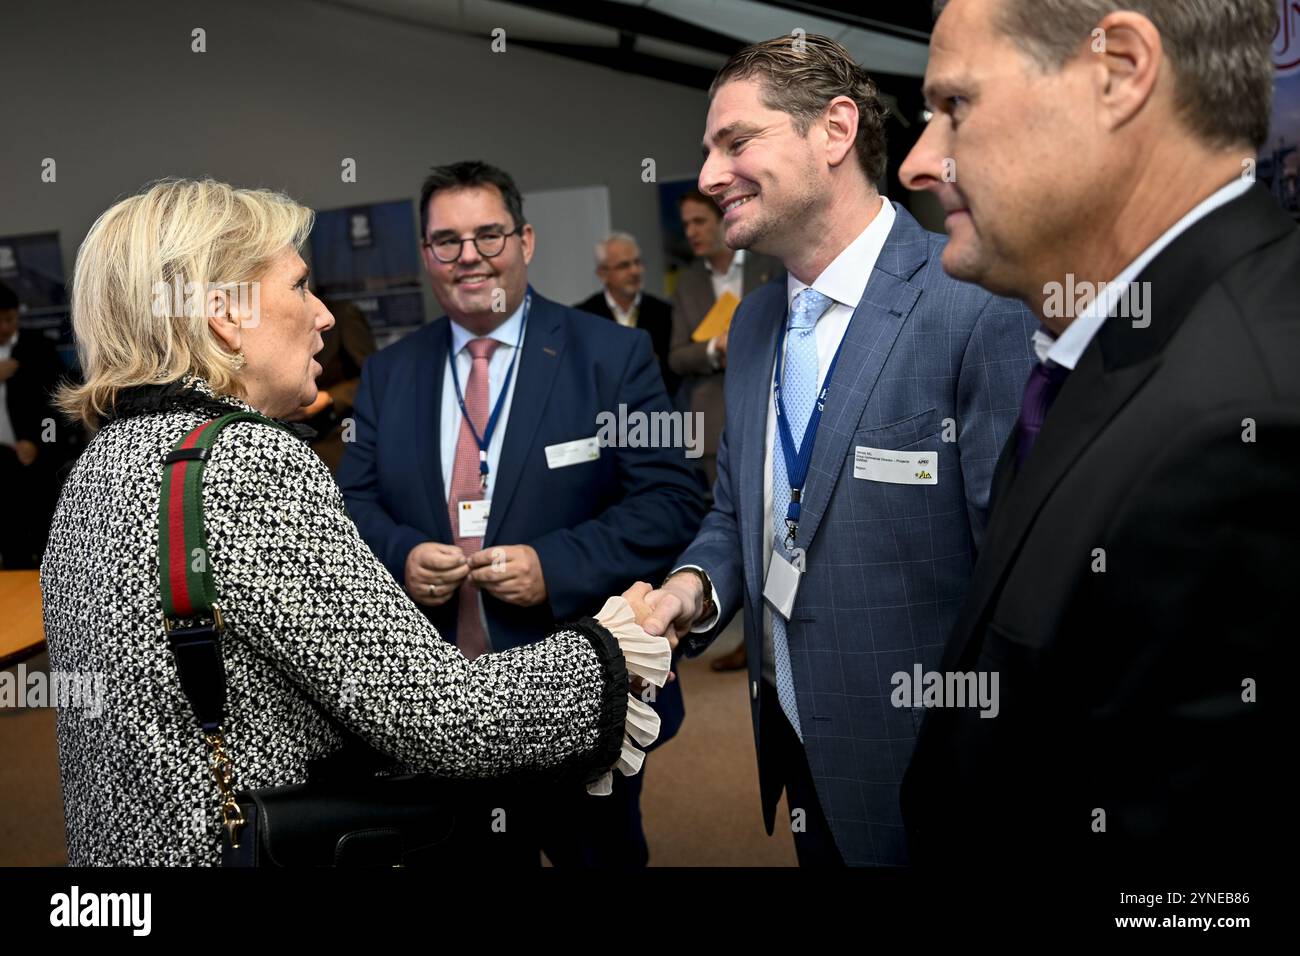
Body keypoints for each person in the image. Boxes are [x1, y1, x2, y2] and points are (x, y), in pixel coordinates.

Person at [40, 178, 668, 867]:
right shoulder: (244, 464)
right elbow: (440, 719)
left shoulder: (101, 465)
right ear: (225, 313)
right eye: (300, 286)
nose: (325, 316)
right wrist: (613, 647)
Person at [897, 0, 1290, 872]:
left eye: (955, 106)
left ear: (1117, 70)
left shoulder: (1243, 429)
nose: (921, 162)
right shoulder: (1102, 352)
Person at [639, 35, 1038, 867]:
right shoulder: (752, 325)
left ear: (835, 130)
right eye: (707, 150)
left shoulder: (972, 304)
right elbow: (737, 510)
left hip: (937, 765)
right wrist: (690, 589)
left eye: (735, 142)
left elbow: (1019, 577)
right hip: (792, 739)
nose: (710, 176)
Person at [338, 161, 704, 867]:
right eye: (447, 240)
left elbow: (671, 499)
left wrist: (554, 566)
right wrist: (403, 555)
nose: (469, 255)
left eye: (488, 234)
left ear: (526, 241)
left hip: (576, 686)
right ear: (425, 255)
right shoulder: (390, 374)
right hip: (438, 698)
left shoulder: (610, 355)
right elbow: (354, 504)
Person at [668, 189, 781, 496]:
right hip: (712, 419)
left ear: (724, 219)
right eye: (686, 224)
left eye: (700, 221)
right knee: (724, 514)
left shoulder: (770, 265)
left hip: (774, 405)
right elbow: (676, 357)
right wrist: (714, 348)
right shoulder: (687, 283)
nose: (691, 232)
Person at [0, 280, 70, 569]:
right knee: (9, 534)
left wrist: (38, 441)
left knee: (43, 528)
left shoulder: (38, 347)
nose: (4, 328)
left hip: (34, 455)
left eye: (9, 319)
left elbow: (56, 404)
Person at [574, 231, 677, 397]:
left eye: (638, 262)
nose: (634, 271)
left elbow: (672, 371)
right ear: (602, 274)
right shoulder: (584, 316)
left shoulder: (664, 312)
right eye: (624, 265)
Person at [289, 297, 376, 472]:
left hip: (337, 441)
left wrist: (329, 398)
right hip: (290, 445)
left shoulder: (341, 314)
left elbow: (373, 378)